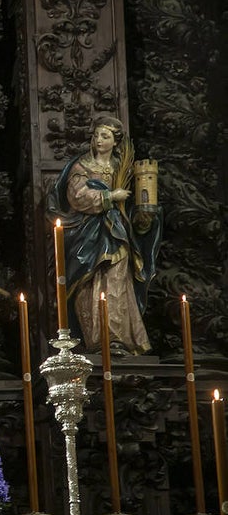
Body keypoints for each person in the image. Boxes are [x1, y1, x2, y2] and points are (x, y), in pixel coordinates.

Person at [47, 116, 161, 355]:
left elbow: (133, 207)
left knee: (117, 282)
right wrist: (109, 197)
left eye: (105, 136)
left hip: (117, 234)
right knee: (88, 283)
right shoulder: (82, 166)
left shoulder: (123, 169)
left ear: (115, 142)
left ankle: (119, 339)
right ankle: (97, 339)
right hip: (87, 234)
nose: (99, 140)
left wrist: (143, 219)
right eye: (96, 135)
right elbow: (76, 196)